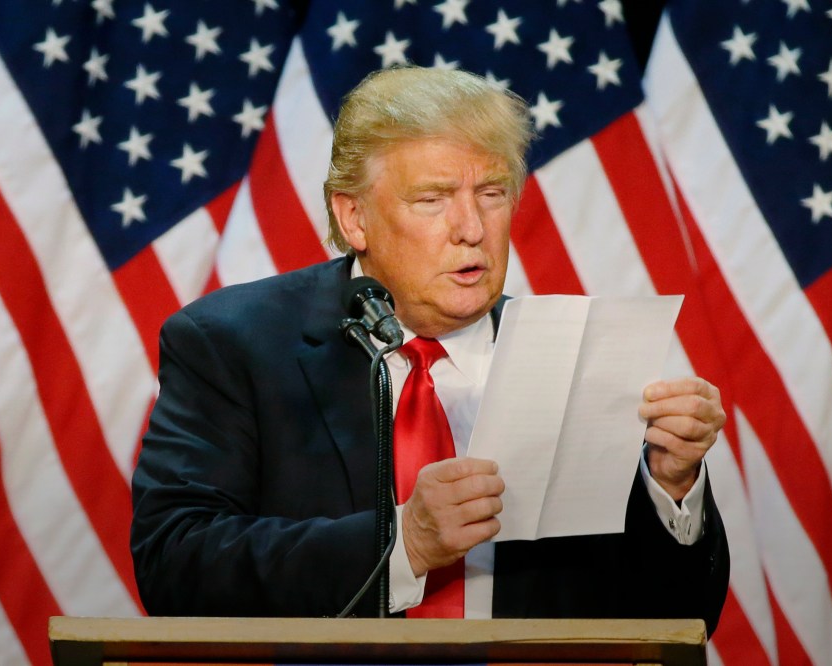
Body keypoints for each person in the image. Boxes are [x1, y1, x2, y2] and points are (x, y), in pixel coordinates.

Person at [131, 66, 729, 630]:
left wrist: (672, 487)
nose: (471, 227)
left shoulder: (574, 357)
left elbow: (679, 618)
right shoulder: (233, 344)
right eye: (433, 199)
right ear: (355, 217)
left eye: (492, 193)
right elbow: (174, 566)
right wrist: (403, 543)